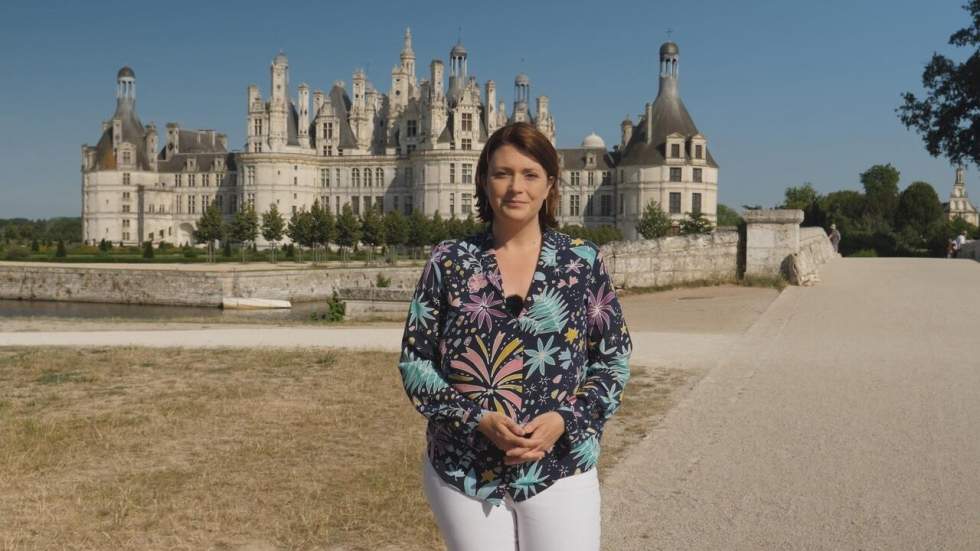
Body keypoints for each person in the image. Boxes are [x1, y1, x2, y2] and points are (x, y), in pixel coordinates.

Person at [398, 122, 631, 551]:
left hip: (560, 463)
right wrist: (477, 420)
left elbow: (612, 361)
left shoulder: (581, 262)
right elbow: (416, 362)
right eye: (502, 173)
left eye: (529, 174)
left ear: (550, 185)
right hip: (465, 468)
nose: (515, 187)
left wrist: (565, 420)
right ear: (484, 181)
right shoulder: (450, 260)